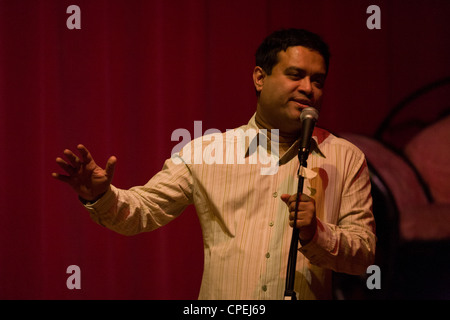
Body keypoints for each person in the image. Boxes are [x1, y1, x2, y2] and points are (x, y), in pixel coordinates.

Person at [52, 28, 376, 300]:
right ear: (260, 78)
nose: (308, 88)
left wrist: (314, 232)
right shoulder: (206, 152)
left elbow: (364, 256)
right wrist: (100, 196)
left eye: (318, 81)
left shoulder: (346, 158)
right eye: (295, 75)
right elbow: (141, 213)